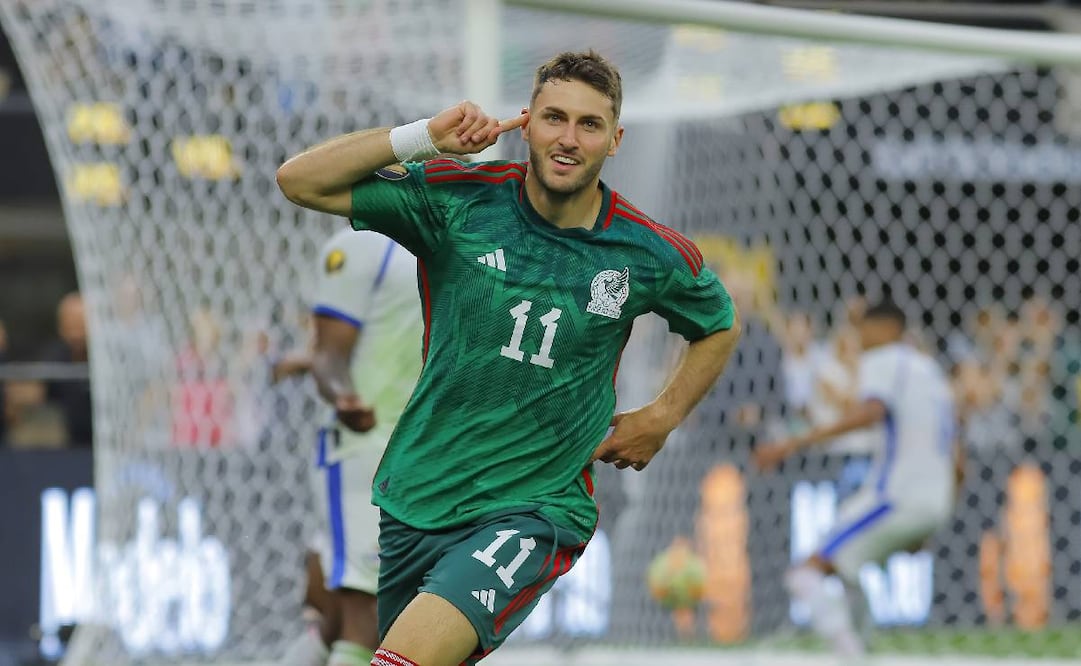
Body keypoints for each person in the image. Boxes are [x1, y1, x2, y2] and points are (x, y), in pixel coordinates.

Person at [276, 50, 742, 666]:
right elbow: (299, 180)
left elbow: (718, 322)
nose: (568, 139)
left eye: (589, 124)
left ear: (615, 139)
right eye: (553, 118)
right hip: (419, 495)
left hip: (536, 509)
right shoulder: (457, 202)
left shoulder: (647, 251)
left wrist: (662, 415)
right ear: (526, 123)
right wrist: (425, 138)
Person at [754, 299, 962, 657]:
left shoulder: (884, 359)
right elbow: (959, 459)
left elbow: (871, 412)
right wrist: (934, 514)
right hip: (935, 499)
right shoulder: (931, 372)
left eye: (862, 328)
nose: (859, 337)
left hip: (894, 498)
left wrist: (794, 442)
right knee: (847, 572)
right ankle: (863, 648)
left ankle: (849, 653)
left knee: (804, 574)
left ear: (884, 329)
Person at [278, 225, 425, 666]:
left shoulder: (466, 239)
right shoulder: (360, 246)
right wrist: (343, 395)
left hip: (428, 455)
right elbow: (327, 353)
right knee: (372, 618)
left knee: (340, 618)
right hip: (364, 453)